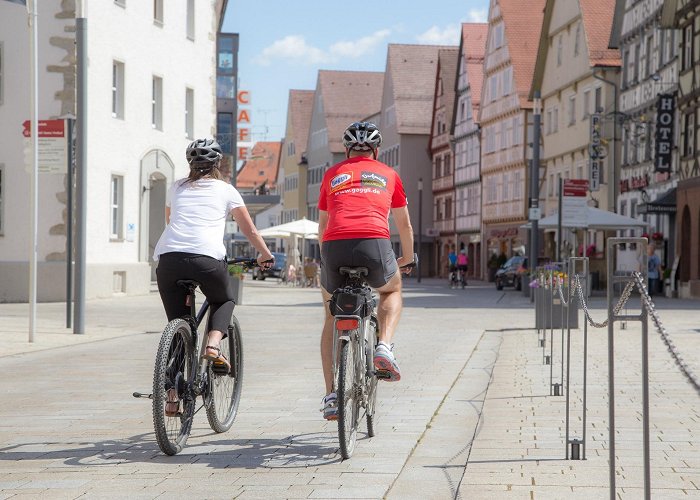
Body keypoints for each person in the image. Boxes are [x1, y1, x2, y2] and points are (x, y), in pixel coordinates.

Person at [153, 138, 274, 391]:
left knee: (178, 326)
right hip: (206, 258)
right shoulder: (226, 189)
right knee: (224, 299)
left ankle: (172, 395)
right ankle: (213, 344)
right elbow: (250, 230)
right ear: (218, 163)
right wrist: (265, 255)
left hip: (169, 259)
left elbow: (170, 221)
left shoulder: (176, 187)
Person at [317, 121, 415, 420]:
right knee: (392, 288)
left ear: (346, 151)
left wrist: (326, 259)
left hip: (334, 246)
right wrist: (408, 258)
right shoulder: (389, 174)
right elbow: (404, 224)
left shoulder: (332, 174)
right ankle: (383, 345)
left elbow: (322, 225)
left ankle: (332, 394)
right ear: (376, 150)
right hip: (374, 242)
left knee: (332, 315)